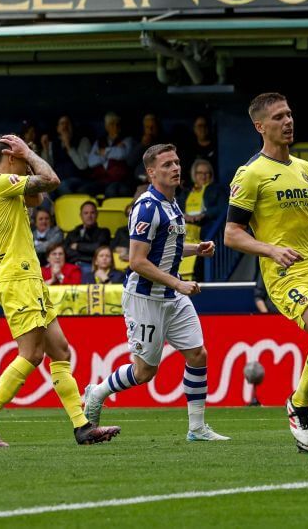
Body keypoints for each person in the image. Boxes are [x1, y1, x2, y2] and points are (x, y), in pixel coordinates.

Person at [224, 94, 308, 455]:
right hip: (287, 275)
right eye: (279, 116)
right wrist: (270, 249)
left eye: (290, 114)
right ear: (260, 126)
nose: (288, 121)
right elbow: (231, 234)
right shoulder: (251, 174)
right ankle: (297, 403)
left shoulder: (305, 169)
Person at [0, 133, 120, 447]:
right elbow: (51, 179)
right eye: (22, 160)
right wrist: (29, 155)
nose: (26, 167)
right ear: (11, 158)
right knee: (32, 353)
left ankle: (82, 426)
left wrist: (27, 161)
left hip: (26, 277)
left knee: (60, 350)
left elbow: (37, 198)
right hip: (18, 277)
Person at [83, 143, 228, 442]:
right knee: (144, 373)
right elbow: (136, 261)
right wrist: (178, 283)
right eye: (167, 165)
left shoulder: (173, 203)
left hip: (171, 297)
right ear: (151, 172)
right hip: (145, 298)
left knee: (198, 354)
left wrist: (196, 250)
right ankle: (97, 392)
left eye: (176, 162)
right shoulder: (146, 207)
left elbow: (166, 246)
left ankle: (197, 428)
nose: (175, 168)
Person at [63, 201, 111, 278]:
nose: (89, 216)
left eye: (92, 213)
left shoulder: (104, 232)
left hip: (90, 266)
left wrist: (78, 246)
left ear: (97, 215)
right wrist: (88, 250)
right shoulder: (72, 233)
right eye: (86, 213)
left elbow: (98, 248)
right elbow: (65, 251)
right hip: (72, 266)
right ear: (81, 216)